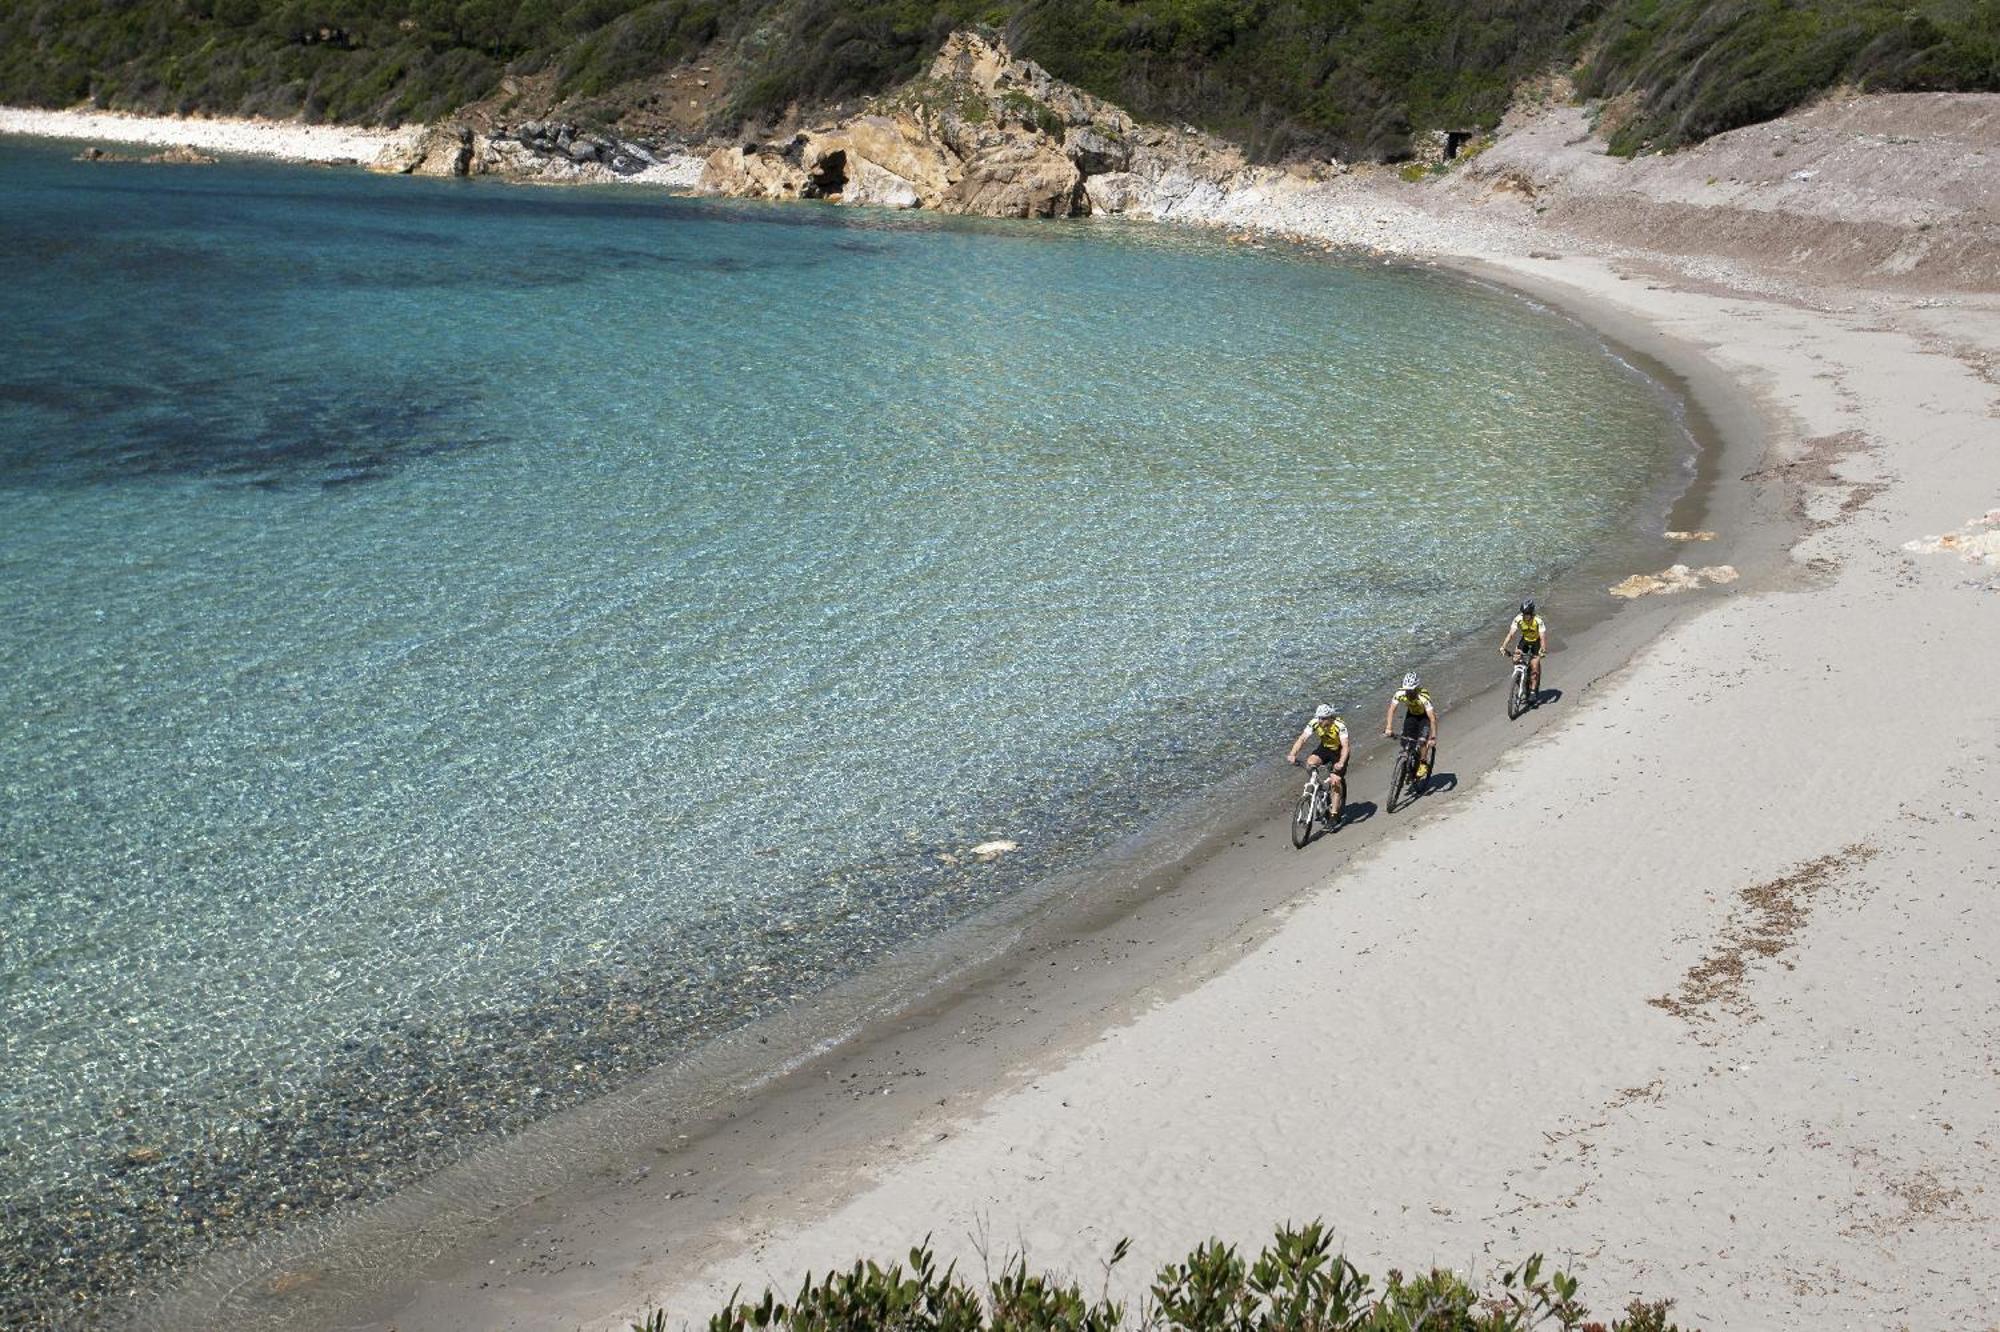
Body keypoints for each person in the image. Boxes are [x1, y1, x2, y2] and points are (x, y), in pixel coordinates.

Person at [1286, 703, 1349, 821]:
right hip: (1325, 748)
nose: (1320, 720)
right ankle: (1319, 789)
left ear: (1330, 717)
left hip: (1339, 751)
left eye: (1323, 718)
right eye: (1318, 717)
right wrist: (1292, 754)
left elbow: (1345, 746)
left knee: (1335, 781)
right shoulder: (1315, 722)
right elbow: (1303, 738)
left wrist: (1341, 762)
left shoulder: (1339, 725)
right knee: (1310, 764)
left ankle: (1334, 815)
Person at [1383, 671, 1438, 781]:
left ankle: (1422, 762)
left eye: (1411, 690)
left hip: (1424, 718)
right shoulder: (1399, 694)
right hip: (1412, 715)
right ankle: (1407, 761)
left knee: (1422, 741)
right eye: (1407, 690)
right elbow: (1391, 710)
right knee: (1405, 741)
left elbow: (1432, 718)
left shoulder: (1423, 697)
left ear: (1416, 688)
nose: (1408, 693)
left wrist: (1433, 737)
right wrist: (1389, 727)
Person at [1500, 598, 1550, 701]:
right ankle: (1518, 678)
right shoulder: (1518, 619)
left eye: (1527, 614)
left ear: (1531, 613)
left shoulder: (1538, 621)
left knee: (1535, 665)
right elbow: (1511, 634)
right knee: (1515, 659)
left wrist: (1543, 650)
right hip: (1525, 641)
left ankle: (1532, 691)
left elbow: (1542, 637)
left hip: (1536, 642)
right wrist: (1503, 646)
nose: (1525, 616)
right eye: (1523, 614)